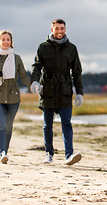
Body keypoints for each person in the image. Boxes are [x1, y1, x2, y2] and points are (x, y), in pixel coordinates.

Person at [30, 19, 84, 165]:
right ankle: (49, 154)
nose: (60, 32)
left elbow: (77, 72)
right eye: (57, 29)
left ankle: (69, 155)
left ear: (65, 29)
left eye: (62, 29)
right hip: (47, 90)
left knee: (66, 123)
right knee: (48, 125)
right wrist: (34, 81)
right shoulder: (43, 47)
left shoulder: (71, 48)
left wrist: (79, 92)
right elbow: (36, 66)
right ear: (52, 29)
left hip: (65, 90)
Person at [0, 30, 31, 164]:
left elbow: (23, 76)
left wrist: (32, 86)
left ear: (11, 42)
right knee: (1, 125)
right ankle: (2, 153)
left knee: (9, 126)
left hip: (13, 98)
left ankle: (6, 150)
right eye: (3, 39)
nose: (5, 42)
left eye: (8, 39)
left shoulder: (16, 59)